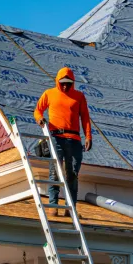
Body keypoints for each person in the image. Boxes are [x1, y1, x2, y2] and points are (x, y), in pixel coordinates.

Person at [33, 67, 93, 216]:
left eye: (68, 83)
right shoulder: (50, 93)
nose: (65, 86)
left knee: (72, 173)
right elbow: (37, 110)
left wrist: (88, 136)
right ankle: (53, 205)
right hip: (56, 137)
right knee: (55, 172)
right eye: (63, 83)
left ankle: (70, 208)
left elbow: (85, 117)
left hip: (74, 139)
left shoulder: (79, 96)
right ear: (58, 82)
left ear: (72, 82)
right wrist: (40, 119)